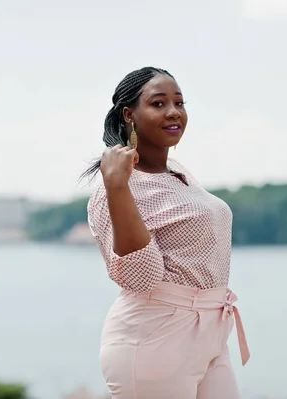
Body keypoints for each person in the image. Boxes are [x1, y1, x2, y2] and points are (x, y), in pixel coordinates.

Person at [83, 66, 250, 399]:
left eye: (179, 102)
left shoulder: (177, 172)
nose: (174, 112)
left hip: (210, 332)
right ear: (130, 114)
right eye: (158, 104)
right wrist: (117, 186)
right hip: (154, 337)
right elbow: (141, 278)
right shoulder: (114, 189)